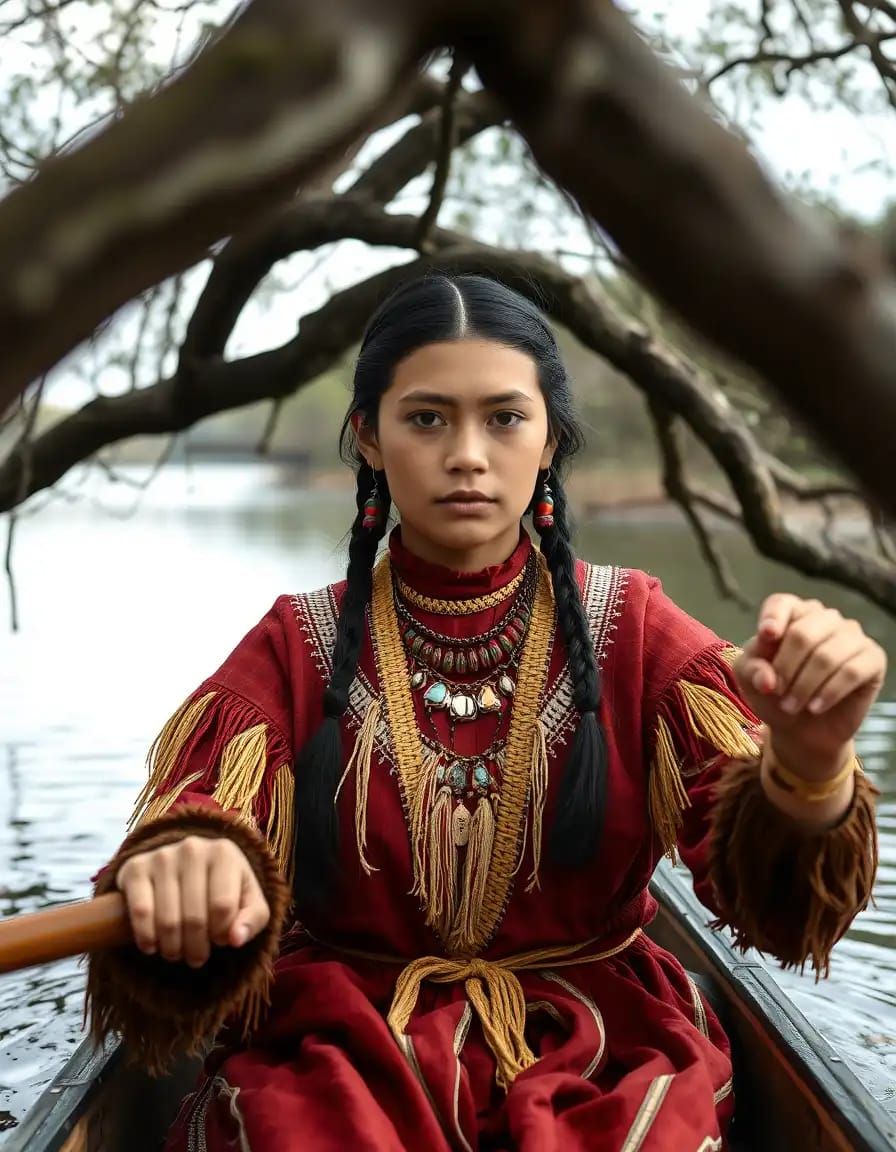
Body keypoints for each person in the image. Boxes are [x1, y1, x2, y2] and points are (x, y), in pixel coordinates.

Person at [88, 274, 883, 1152]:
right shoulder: (295, 644)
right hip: (342, 1044)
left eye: (504, 418)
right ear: (369, 437)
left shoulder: (642, 629)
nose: (467, 453)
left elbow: (777, 916)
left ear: (548, 439)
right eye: (426, 418)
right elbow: (195, 820)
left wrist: (810, 763)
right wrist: (185, 857)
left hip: (607, 1050)